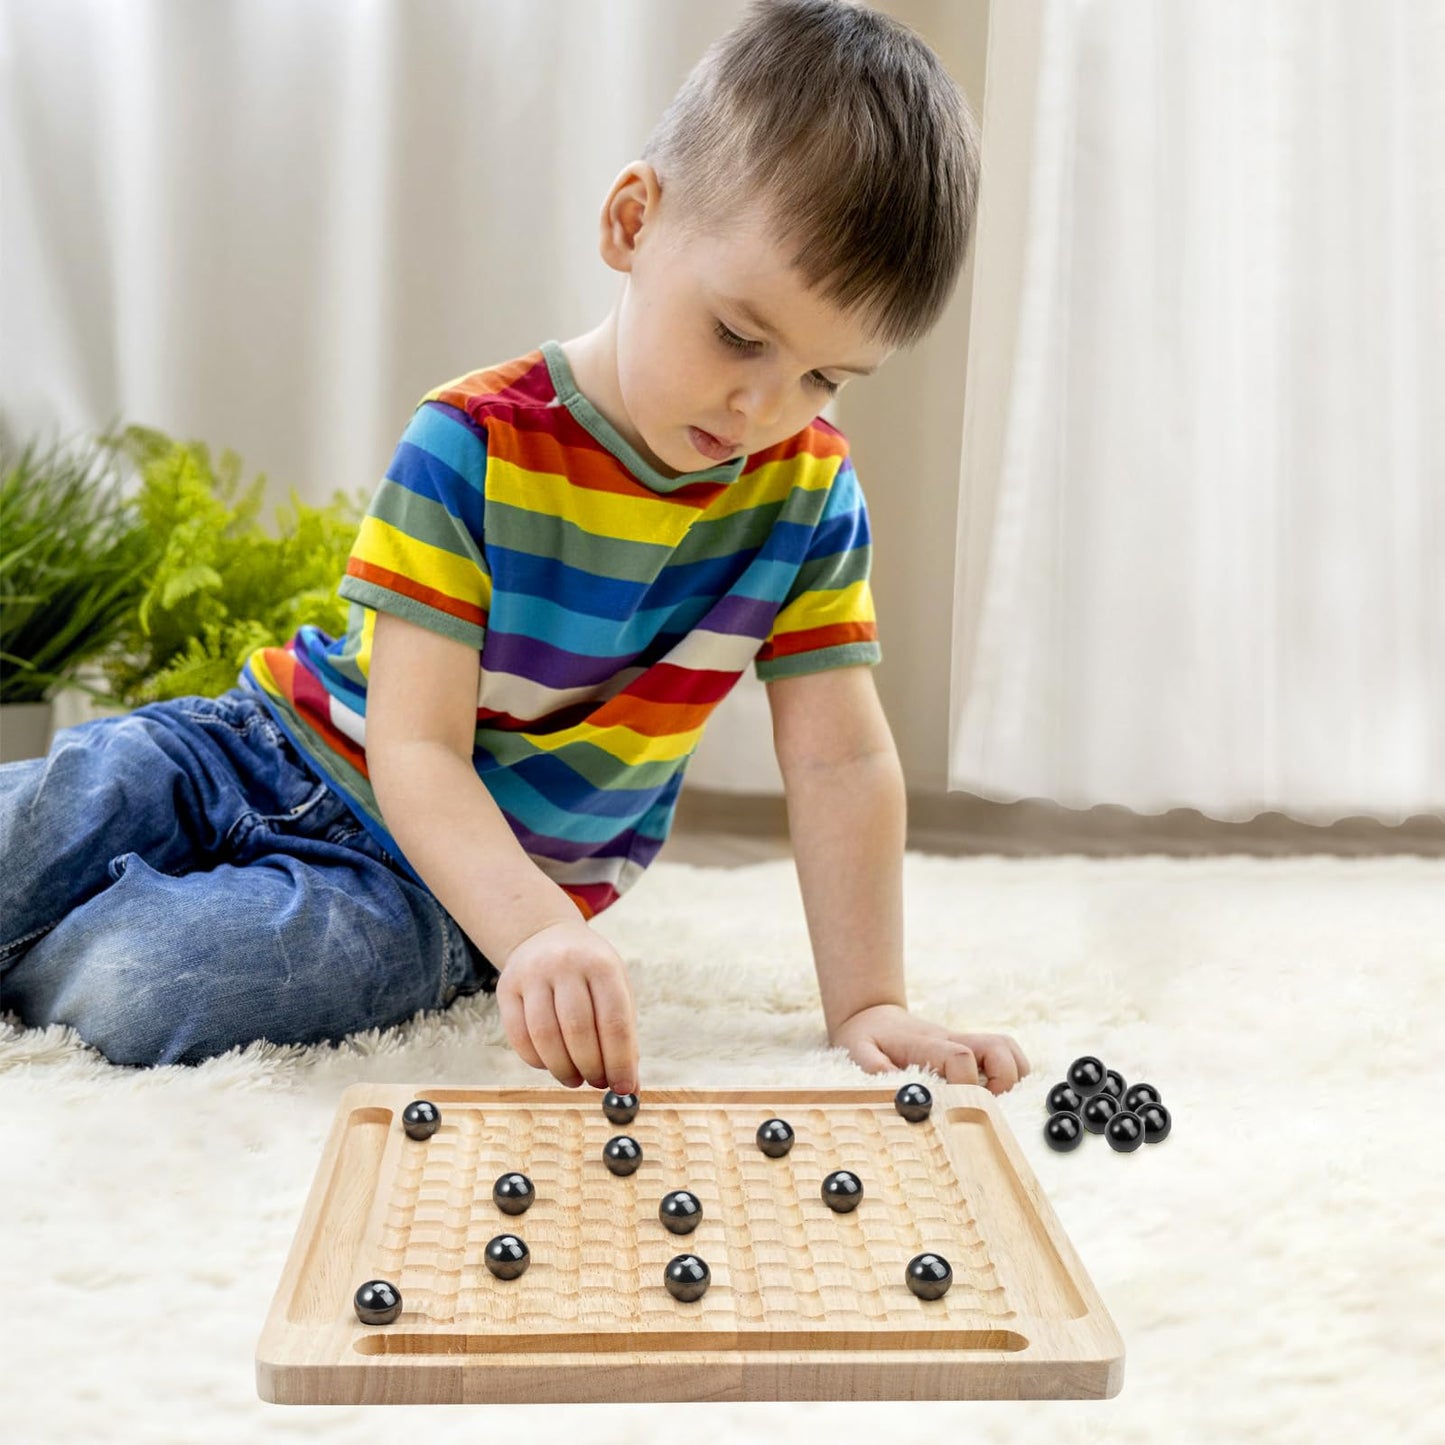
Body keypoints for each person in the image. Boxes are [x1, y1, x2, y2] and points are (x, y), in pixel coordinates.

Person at [0, 0, 1030, 1098]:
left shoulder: (809, 494)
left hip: (435, 892)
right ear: (632, 223)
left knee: (141, 985)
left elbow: (839, 759)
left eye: (823, 376)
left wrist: (865, 998)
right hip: (257, 746)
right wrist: (546, 930)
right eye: (738, 334)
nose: (760, 405)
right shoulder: (473, 440)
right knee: (60, 806)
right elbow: (418, 749)